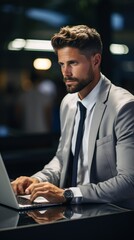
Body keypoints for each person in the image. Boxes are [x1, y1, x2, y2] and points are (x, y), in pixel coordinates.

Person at [11, 25, 134, 205]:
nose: (65, 73)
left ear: (96, 60)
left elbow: (129, 182)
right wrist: (36, 180)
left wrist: (68, 194)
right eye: (62, 64)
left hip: (111, 215)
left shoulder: (124, 107)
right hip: (74, 212)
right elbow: (62, 160)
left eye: (73, 63)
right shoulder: (68, 103)